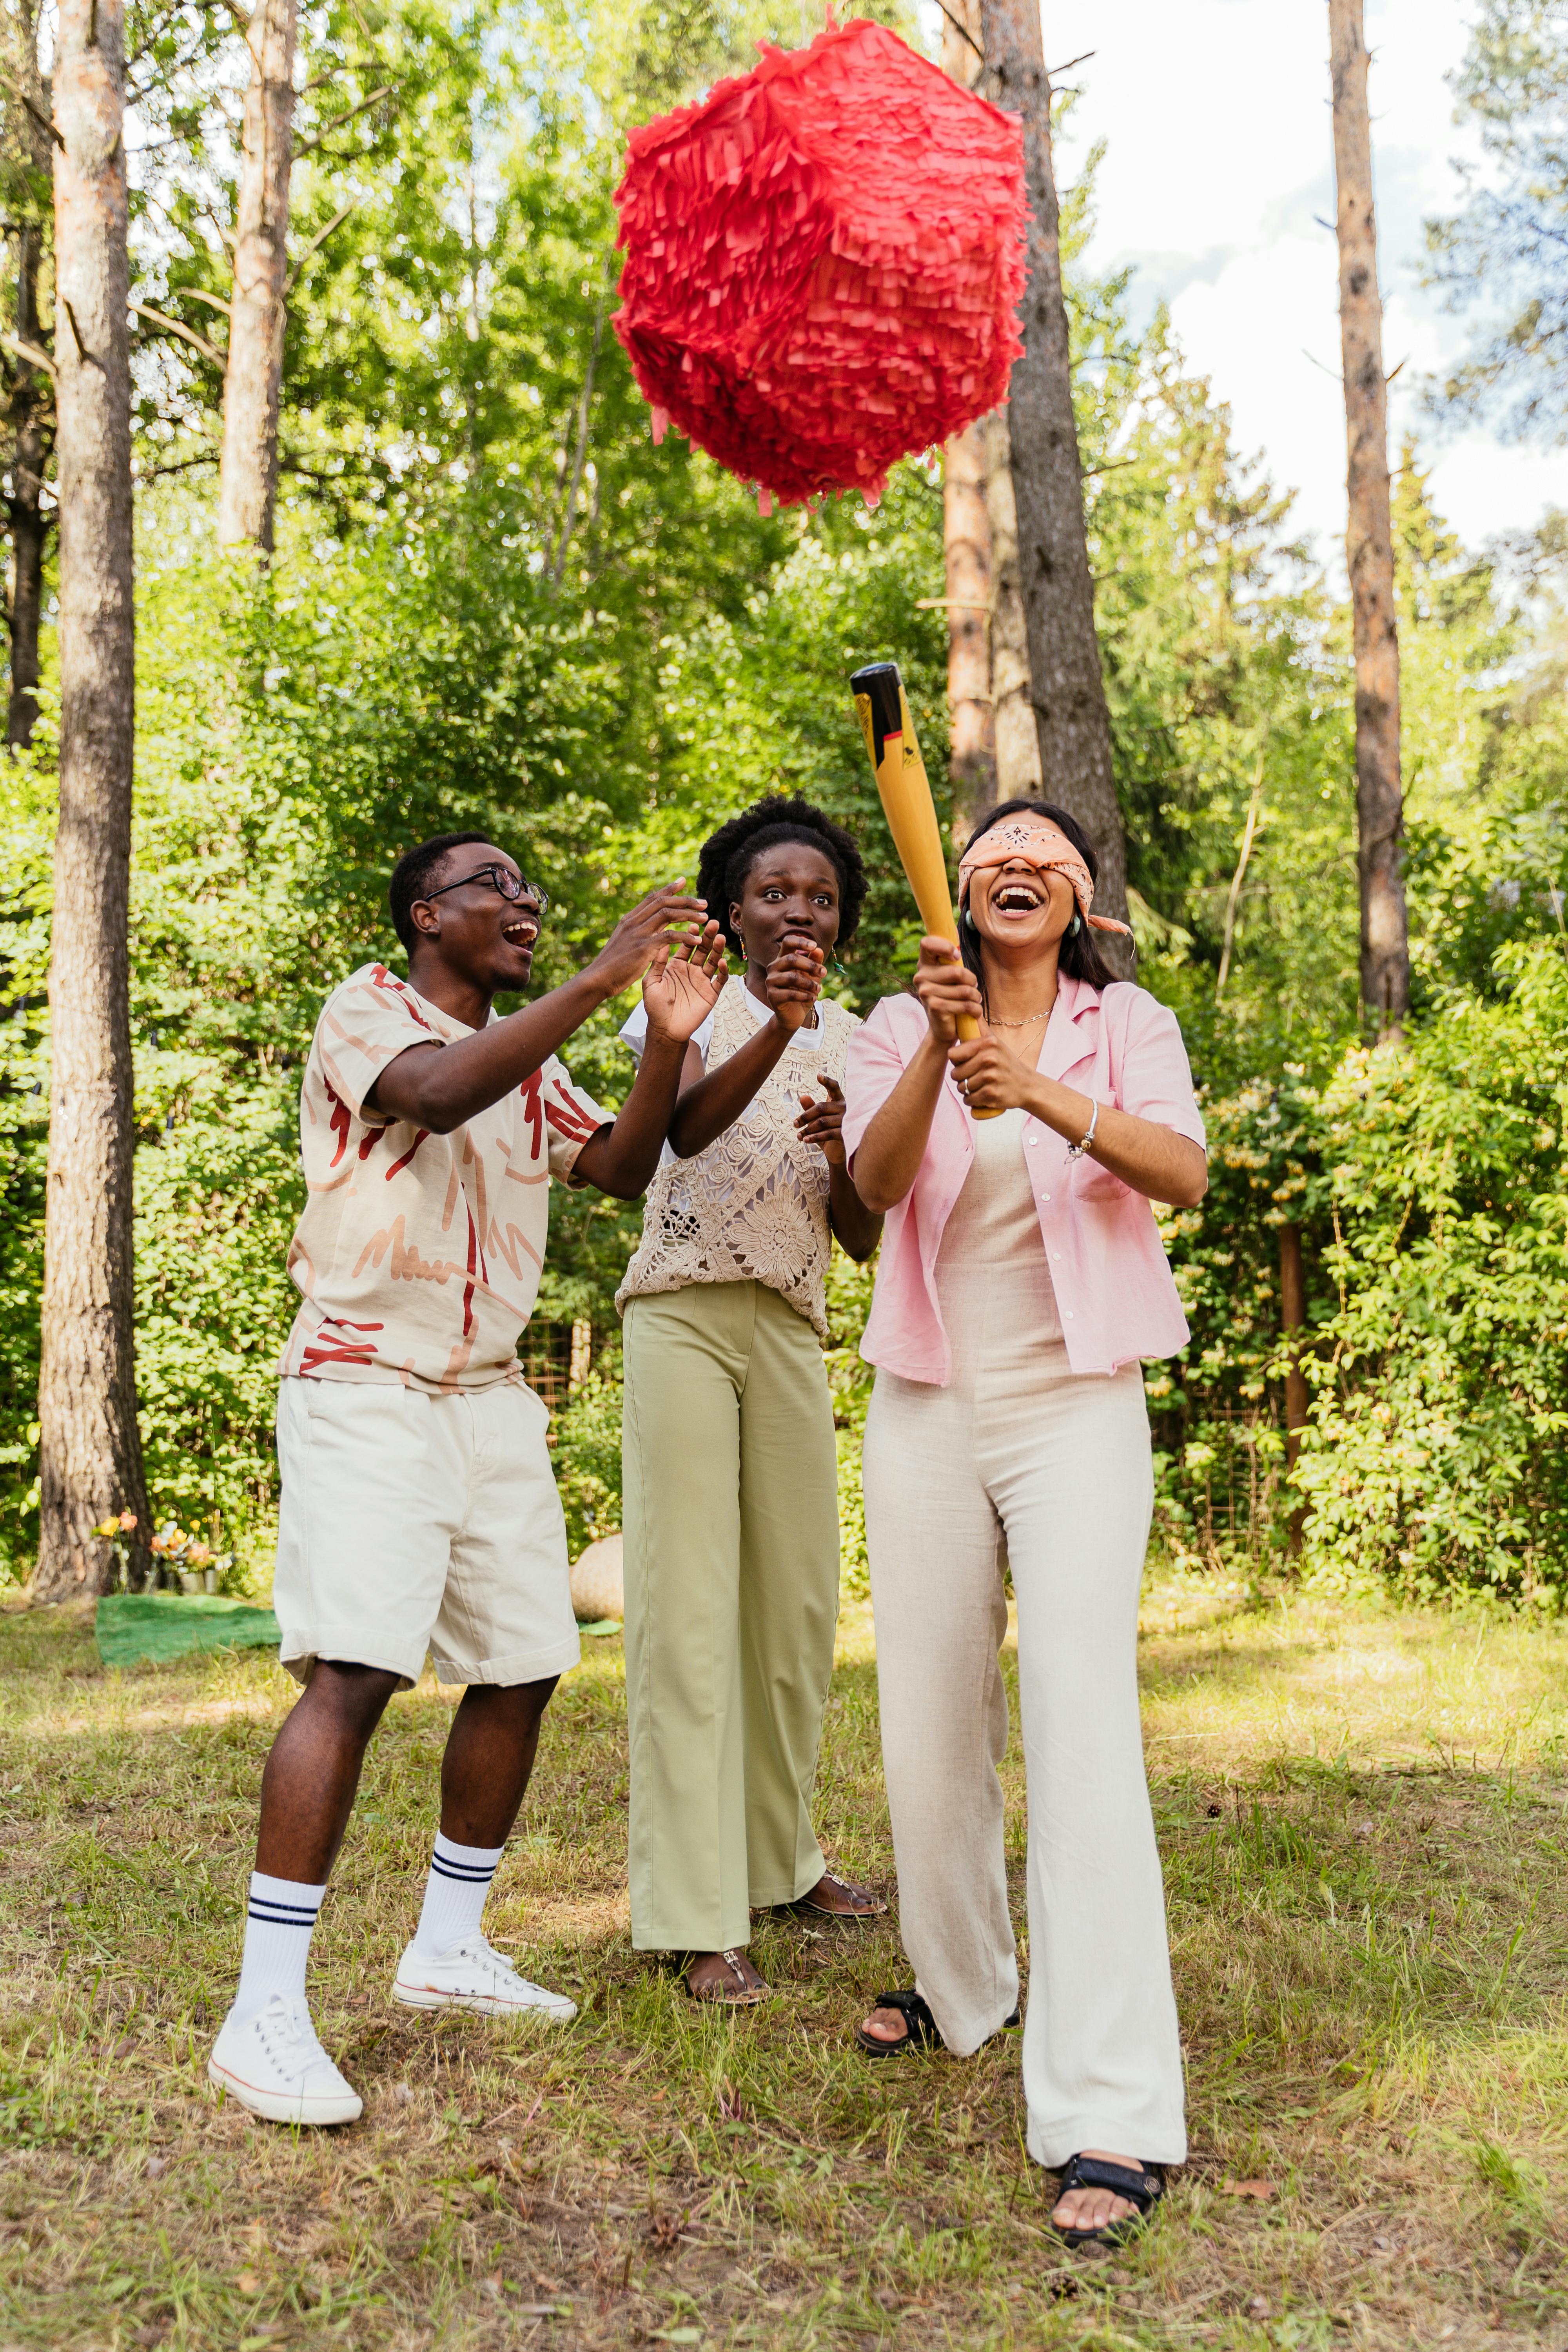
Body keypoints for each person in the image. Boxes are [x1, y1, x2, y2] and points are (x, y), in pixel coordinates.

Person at [208, 832, 726, 2127]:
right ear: (427, 913)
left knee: (524, 1660)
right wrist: (609, 980)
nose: (527, 902)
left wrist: (667, 1036)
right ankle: (263, 2006)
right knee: (358, 1671)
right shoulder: (367, 1011)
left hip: (490, 1397)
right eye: (496, 884)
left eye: (531, 891)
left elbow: (616, 1166)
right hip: (365, 1380)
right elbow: (433, 1096)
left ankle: (448, 1947)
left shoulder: (531, 1060)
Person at [840, 800, 1209, 2249]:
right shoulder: (898, 1019)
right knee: (931, 1722)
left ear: (1082, 903)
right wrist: (941, 1050)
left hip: (1077, 1406)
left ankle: (1111, 2105)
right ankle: (967, 1984)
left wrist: (1037, 1088)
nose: (1018, 863)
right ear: (965, 891)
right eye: (993, 848)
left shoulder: (1133, 1028)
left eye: (1049, 855)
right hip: (929, 1398)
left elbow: (1178, 1173)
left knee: (1079, 1723)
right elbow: (871, 1194)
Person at [615, 796, 885, 2005]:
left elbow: (864, 1237)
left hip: (788, 1326)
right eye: (775, 892)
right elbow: (675, 1134)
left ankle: (782, 1861)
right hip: (680, 1312)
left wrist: (842, 1153)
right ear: (733, 906)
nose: (799, 911)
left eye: (821, 897)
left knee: (796, 1615)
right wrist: (776, 1030)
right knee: (688, 1613)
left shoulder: (859, 1036)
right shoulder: (686, 1000)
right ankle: (696, 1911)